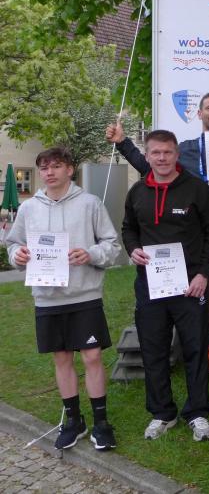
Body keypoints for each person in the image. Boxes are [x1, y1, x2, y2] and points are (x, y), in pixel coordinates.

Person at [106, 92, 209, 373]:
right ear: (199, 113)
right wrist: (123, 143)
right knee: (207, 284)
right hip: (197, 228)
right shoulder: (183, 149)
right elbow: (151, 166)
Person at [7, 147, 121, 451]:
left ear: (70, 169)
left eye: (56, 166)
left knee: (92, 356)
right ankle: (73, 420)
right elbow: (14, 244)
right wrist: (18, 256)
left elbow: (111, 245)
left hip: (84, 294)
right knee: (62, 358)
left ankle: (101, 423)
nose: (49, 172)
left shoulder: (90, 203)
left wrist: (90, 254)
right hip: (47, 296)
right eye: (44, 168)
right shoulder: (29, 208)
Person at [121, 129, 209, 442]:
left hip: (190, 286)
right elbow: (128, 228)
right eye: (156, 153)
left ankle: (198, 412)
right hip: (150, 287)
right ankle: (162, 413)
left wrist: (203, 274)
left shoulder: (197, 189)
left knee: (195, 349)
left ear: (176, 155)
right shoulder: (137, 192)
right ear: (147, 156)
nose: (162, 158)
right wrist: (133, 249)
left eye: (167, 152)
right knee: (153, 350)